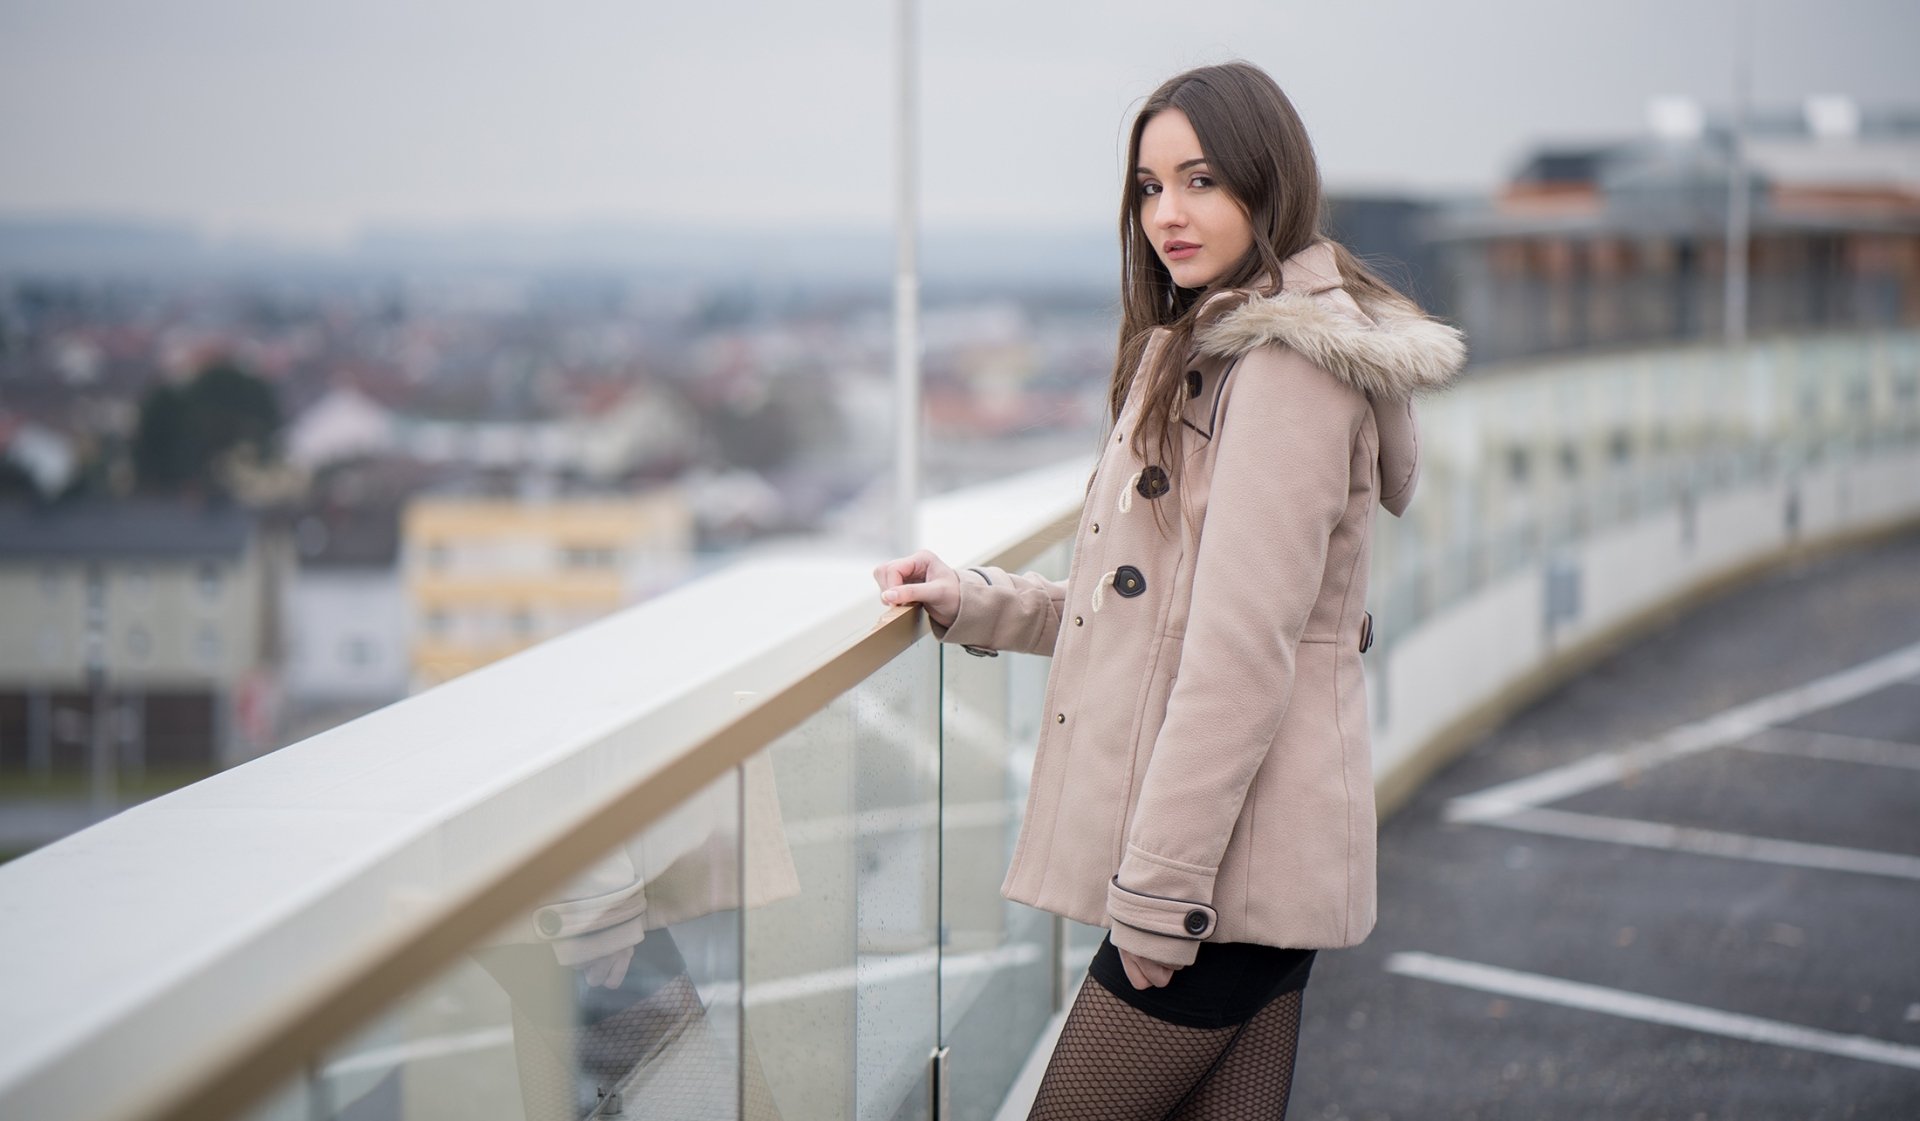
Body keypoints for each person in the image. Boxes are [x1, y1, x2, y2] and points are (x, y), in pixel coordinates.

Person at [874, 60, 1464, 1120]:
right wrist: (980, 599)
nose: (1168, 214)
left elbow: (1238, 656)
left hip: (1214, 884)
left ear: (1265, 182)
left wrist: (1155, 896)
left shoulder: (1281, 370)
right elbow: (1152, 611)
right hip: (1239, 875)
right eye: (1149, 186)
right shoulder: (1220, 350)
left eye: (1199, 181)